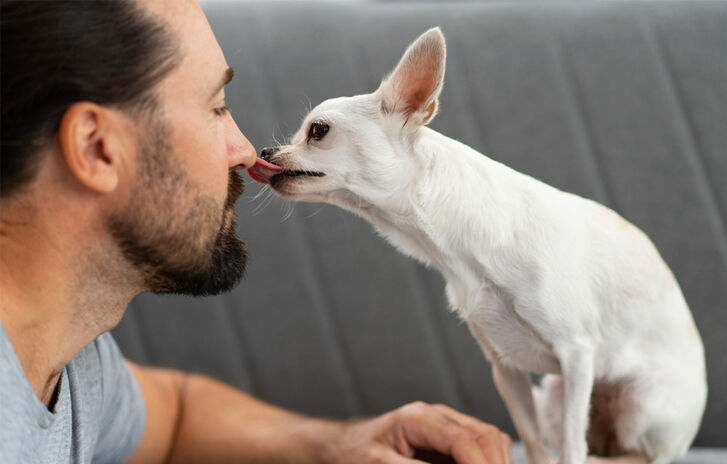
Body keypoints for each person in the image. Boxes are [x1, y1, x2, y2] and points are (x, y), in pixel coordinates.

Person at [0, 1, 513, 463]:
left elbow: (176, 415)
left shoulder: (76, 363)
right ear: (96, 149)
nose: (246, 151)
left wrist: (344, 445)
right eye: (216, 107)